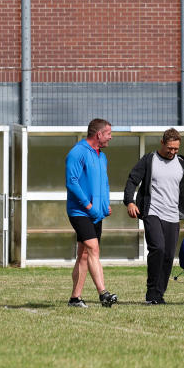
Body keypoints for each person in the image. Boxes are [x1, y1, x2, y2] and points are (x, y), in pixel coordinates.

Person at [124, 128, 184, 304]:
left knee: (168, 255)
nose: (173, 152)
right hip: (152, 212)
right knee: (158, 248)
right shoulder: (149, 160)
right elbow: (132, 180)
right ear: (162, 143)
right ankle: (151, 292)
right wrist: (130, 202)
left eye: (176, 149)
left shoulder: (182, 162)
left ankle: (159, 295)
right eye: (170, 148)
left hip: (172, 215)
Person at [65, 118, 118, 308]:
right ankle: (103, 293)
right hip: (79, 212)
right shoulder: (78, 153)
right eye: (109, 134)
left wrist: (104, 206)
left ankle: (75, 298)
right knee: (93, 249)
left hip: (96, 213)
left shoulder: (101, 156)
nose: (111, 137)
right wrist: (88, 206)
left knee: (84, 255)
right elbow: (72, 182)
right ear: (99, 134)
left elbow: (103, 183)